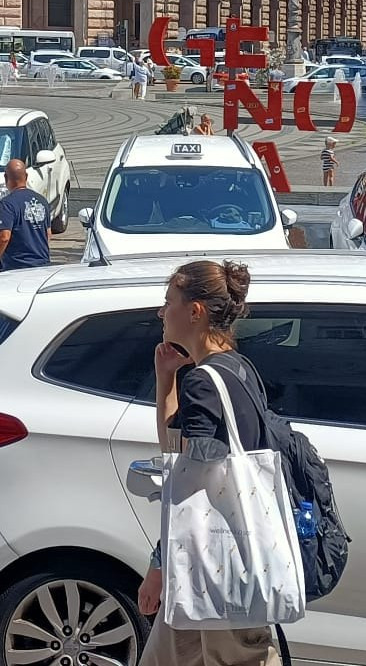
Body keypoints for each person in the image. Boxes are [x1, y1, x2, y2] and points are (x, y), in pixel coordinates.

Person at [136, 259, 283, 666]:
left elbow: (190, 488)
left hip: (217, 566)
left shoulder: (204, 383)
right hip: (215, 563)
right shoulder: (238, 369)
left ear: (195, 312)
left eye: (168, 302)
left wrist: (159, 564)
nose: (161, 312)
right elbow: (181, 457)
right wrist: (166, 378)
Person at [0, 159, 50, 282]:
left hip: (17, 269)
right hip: (42, 267)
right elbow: (47, 233)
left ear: (6, 177)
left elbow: (4, 237)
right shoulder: (42, 201)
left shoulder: (7, 204)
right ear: (26, 176)